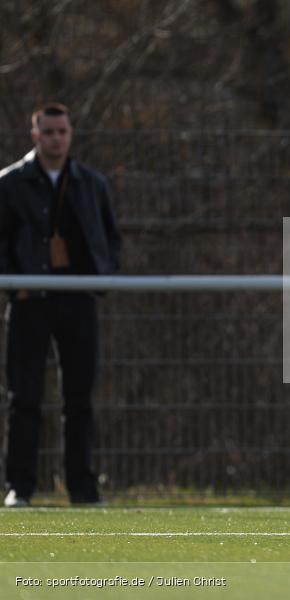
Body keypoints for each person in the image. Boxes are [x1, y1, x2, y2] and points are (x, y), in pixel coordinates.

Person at [0, 103, 121, 507]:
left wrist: (101, 276)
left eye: (62, 132)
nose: (56, 139)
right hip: (29, 300)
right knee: (24, 398)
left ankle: (83, 489)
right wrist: (15, 285)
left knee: (80, 399)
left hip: (77, 299)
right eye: (48, 132)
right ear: (35, 135)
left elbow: (110, 239)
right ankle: (20, 487)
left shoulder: (91, 183)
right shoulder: (11, 183)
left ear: (71, 134)